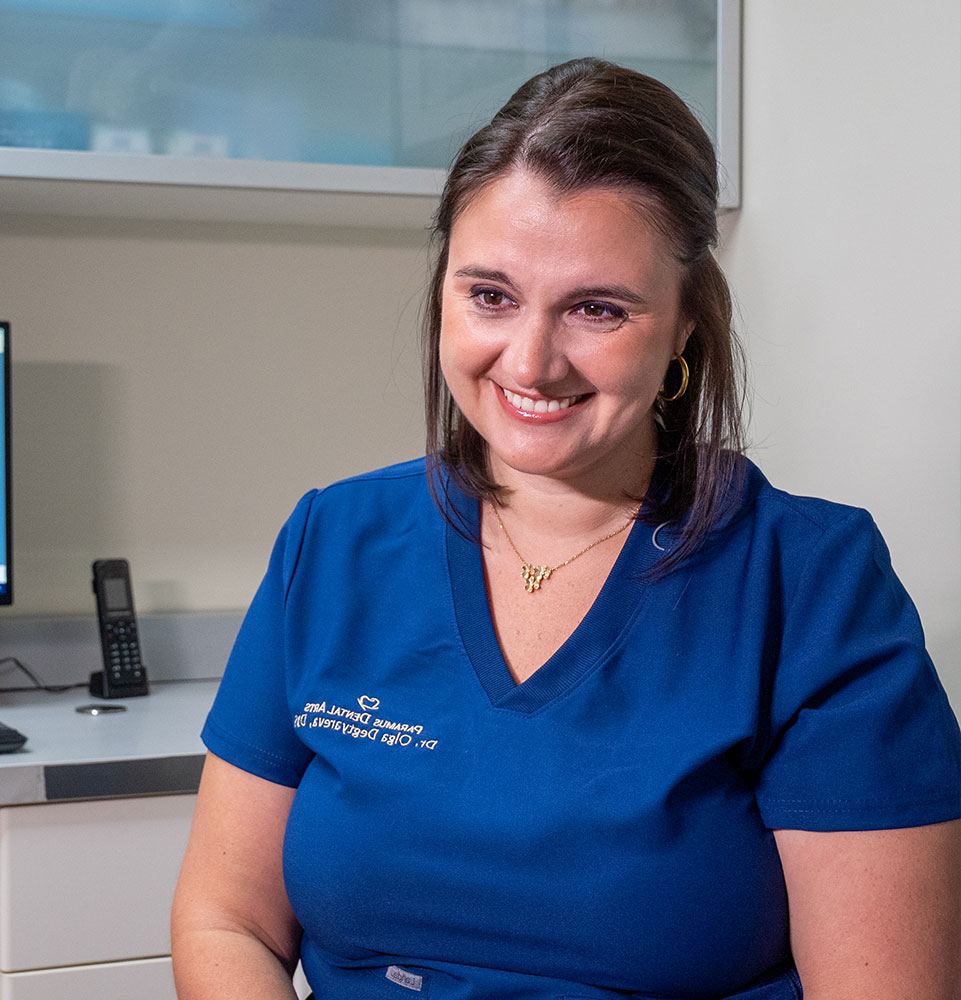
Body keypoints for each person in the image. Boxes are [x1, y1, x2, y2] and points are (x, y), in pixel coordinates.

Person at [170, 58, 961, 1000]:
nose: (531, 362)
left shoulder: (810, 584)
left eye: (597, 308)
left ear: (682, 328)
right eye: (490, 296)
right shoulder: (332, 543)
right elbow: (228, 921)